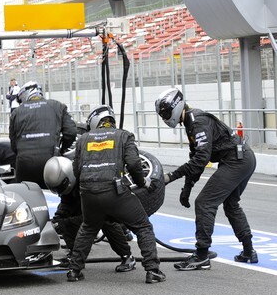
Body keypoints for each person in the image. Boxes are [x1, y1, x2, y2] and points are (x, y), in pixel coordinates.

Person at [155, 87, 258, 269]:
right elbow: (196, 158)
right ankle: (249, 251)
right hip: (242, 157)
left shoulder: (197, 122)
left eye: (165, 112)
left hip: (237, 160)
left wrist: (171, 177)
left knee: (204, 203)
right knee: (231, 204)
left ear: (176, 106)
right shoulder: (190, 122)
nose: (164, 117)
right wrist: (186, 189)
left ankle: (202, 255)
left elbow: (201, 159)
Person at [66, 105, 165, 284]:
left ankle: (74, 270)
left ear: (95, 122)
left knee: (88, 228)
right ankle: (153, 270)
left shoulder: (84, 139)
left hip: (87, 193)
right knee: (143, 226)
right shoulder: (124, 135)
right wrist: (143, 183)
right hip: (114, 193)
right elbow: (134, 164)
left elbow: (76, 169)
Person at [43, 155, 137, 272]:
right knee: (63, 221)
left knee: (105, 222)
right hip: (86, 200)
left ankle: (127, 256)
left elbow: (93, 217)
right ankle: (74, 255)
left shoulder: (89, 181)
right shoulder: (69, 185)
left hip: (105, 203)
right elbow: (66, 205)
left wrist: (62, 224)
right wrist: (56, 222)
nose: (58, 192)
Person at [8, 81, 77, 188]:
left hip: (24, 165)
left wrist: (23, 153)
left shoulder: (16, 112)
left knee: (27, 199)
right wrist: (62, 149)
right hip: (52, 163)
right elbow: (71, 132)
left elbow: (13, 143)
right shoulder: (58, 106)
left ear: (24, 95)